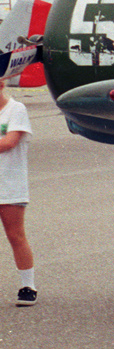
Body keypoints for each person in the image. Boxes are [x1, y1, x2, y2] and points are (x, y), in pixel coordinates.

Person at [0, 80, 36, 306]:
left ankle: (28, 286)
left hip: (10, 185)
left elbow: (10, 142)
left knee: (15, 236)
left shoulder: (16, 110)